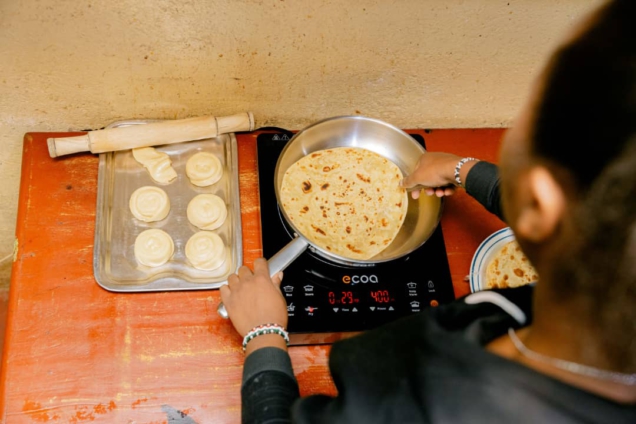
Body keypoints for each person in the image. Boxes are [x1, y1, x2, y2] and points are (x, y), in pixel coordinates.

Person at [219, 0, 636, 422]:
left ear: (540, 203)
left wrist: (263, 334)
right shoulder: (607, 272)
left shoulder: (413, 407)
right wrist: (463, 169)